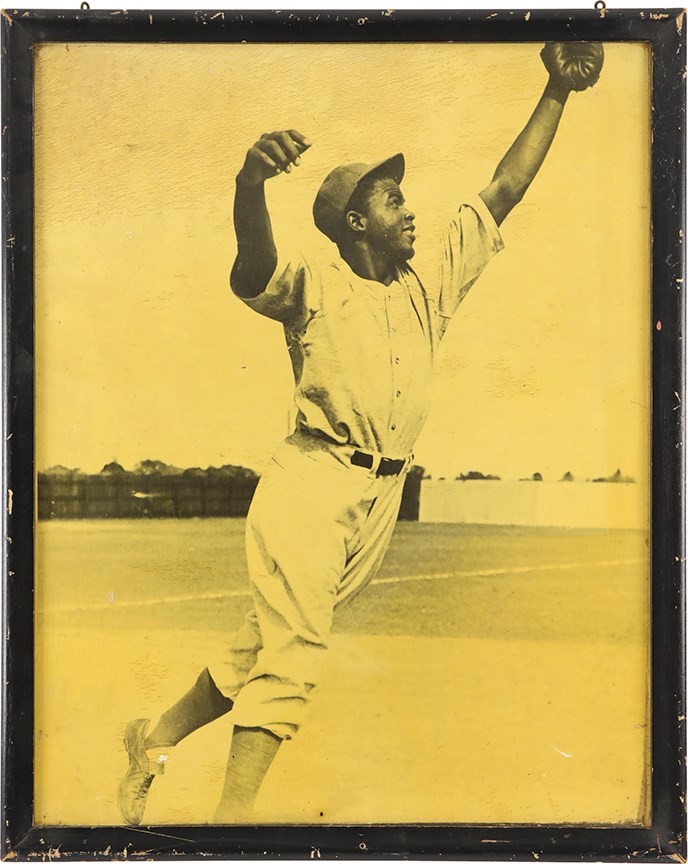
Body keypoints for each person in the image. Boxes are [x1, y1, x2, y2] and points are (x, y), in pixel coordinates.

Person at [118, 41, 604, 825]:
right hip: (313, 479)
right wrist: (249, 182)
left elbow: (505, 188)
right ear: (355, 222)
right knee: (297, 652)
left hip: (379, 498)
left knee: (262, 642)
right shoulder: (316, 281)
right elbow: (251, 271)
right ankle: (231, 823)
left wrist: (557, 89)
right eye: (390, 198)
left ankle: (153, 737)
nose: (410, 208)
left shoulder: (428, 285)